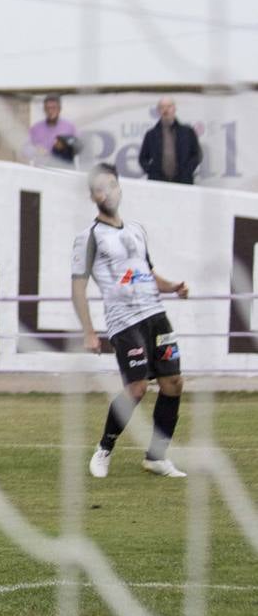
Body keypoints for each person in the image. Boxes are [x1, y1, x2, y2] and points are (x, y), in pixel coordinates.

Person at [71, 163, 189, 479]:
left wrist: (173, 287)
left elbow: (147, 274)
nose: (106, 191)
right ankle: (104, 448)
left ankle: (156, 458)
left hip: (156, 316)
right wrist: (88, 331)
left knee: (173, 383)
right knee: (136, 389)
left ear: (119, 188)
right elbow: (78, 287)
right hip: (125, 323)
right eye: (99, 187)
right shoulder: (89, 237)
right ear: (93, 196)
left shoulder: (137, 230)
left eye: (111, 185)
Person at [139, 97, 201, 185]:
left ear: (174, 109)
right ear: (158, 111)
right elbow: (142, 158)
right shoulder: (151, 135)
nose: (166, 110)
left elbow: (197, 155)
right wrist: (152, 172)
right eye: (162, 107)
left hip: (184, 182)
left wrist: (188, 171)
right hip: (158, 184)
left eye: (169, 106)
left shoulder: (187, 132)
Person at [25, 94, 79, 168]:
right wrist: (35, 150)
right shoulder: (36, 128)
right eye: (48, 108)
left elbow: (78, 147)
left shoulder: (69, 127)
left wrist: (65, 146)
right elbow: (25, 149)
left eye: (53, 108)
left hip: (64, 170)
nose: (50, 111)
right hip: (42, 170)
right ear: (44, 109)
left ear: (59, 109)